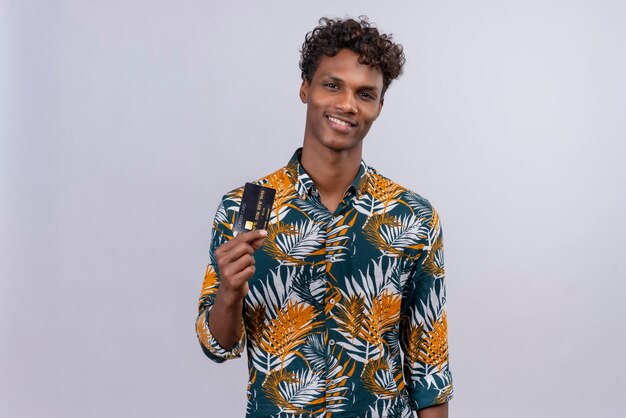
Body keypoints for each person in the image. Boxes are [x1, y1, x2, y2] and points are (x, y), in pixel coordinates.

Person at [196, 16, 453, 418]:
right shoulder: (248, 206)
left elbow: (429, 368)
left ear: (379, 107)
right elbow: (218, 346)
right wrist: (229, 292)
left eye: (365, 94)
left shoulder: (412, 216)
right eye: (332, 85)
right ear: (305, 88)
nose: (347, 104)